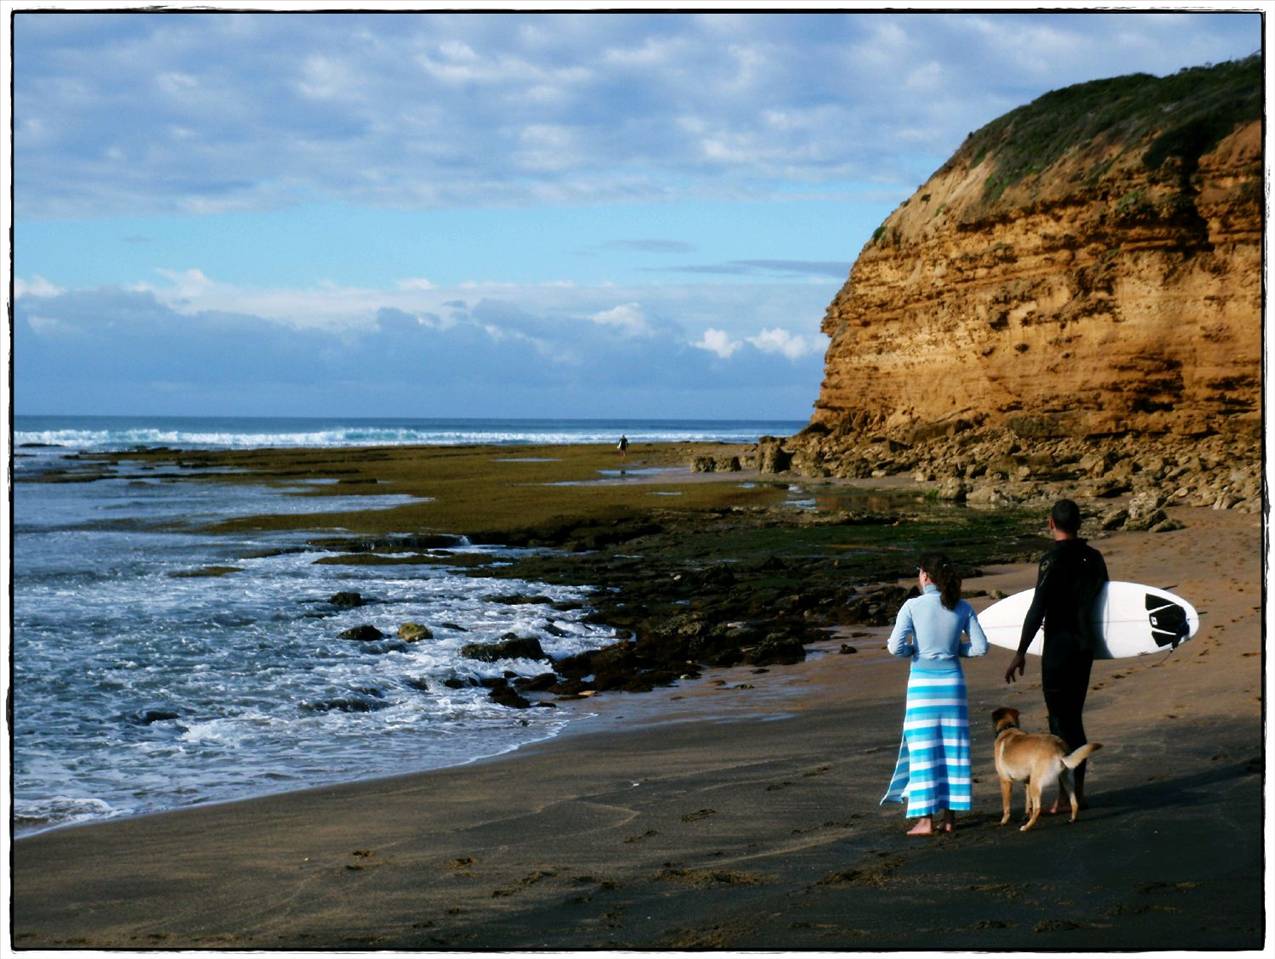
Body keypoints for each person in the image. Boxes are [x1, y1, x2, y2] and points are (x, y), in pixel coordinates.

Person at [1004, 498, 1108, 809]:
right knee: (1073, 717)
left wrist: (1020, 651)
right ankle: (1078, 791)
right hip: (1084, 647)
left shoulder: (1051, 559)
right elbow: (1106, 599)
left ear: (1051, 523)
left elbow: (1038, 608)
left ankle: (1065, 796)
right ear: (1079, 524)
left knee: (1060, 722)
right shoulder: (1095, 558)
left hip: (1059, 649)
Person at [881, 553, 988, 835]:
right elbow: (979, 648)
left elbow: (895, 647)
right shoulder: (962, 606)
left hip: (923, 688)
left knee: (924, 751)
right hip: (953, 686)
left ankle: (925, 820)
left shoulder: (912, 606)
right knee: (952, 749)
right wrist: (953, 651)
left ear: (925, 576)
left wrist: (915, 651)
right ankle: (950, 819)